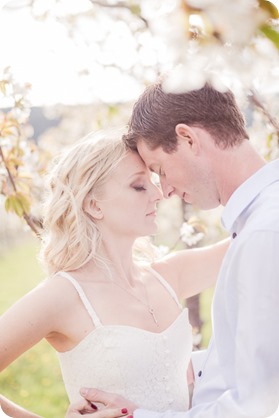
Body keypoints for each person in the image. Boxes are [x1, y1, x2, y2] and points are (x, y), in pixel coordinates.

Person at [66, 80, 279, 418]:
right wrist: (168, 368)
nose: (163, 191)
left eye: (160, 170)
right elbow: (260, 355)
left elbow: (255, 406)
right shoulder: (259, 222)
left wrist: (138, 417)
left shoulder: (264, 233)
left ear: (188, 139)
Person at [0, 130, 228, 418]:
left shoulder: (169, 275)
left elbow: (249, 238)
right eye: (138, 186)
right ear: (94, 205)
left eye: (152, 183)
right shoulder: (63, 295)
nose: (158, 194)